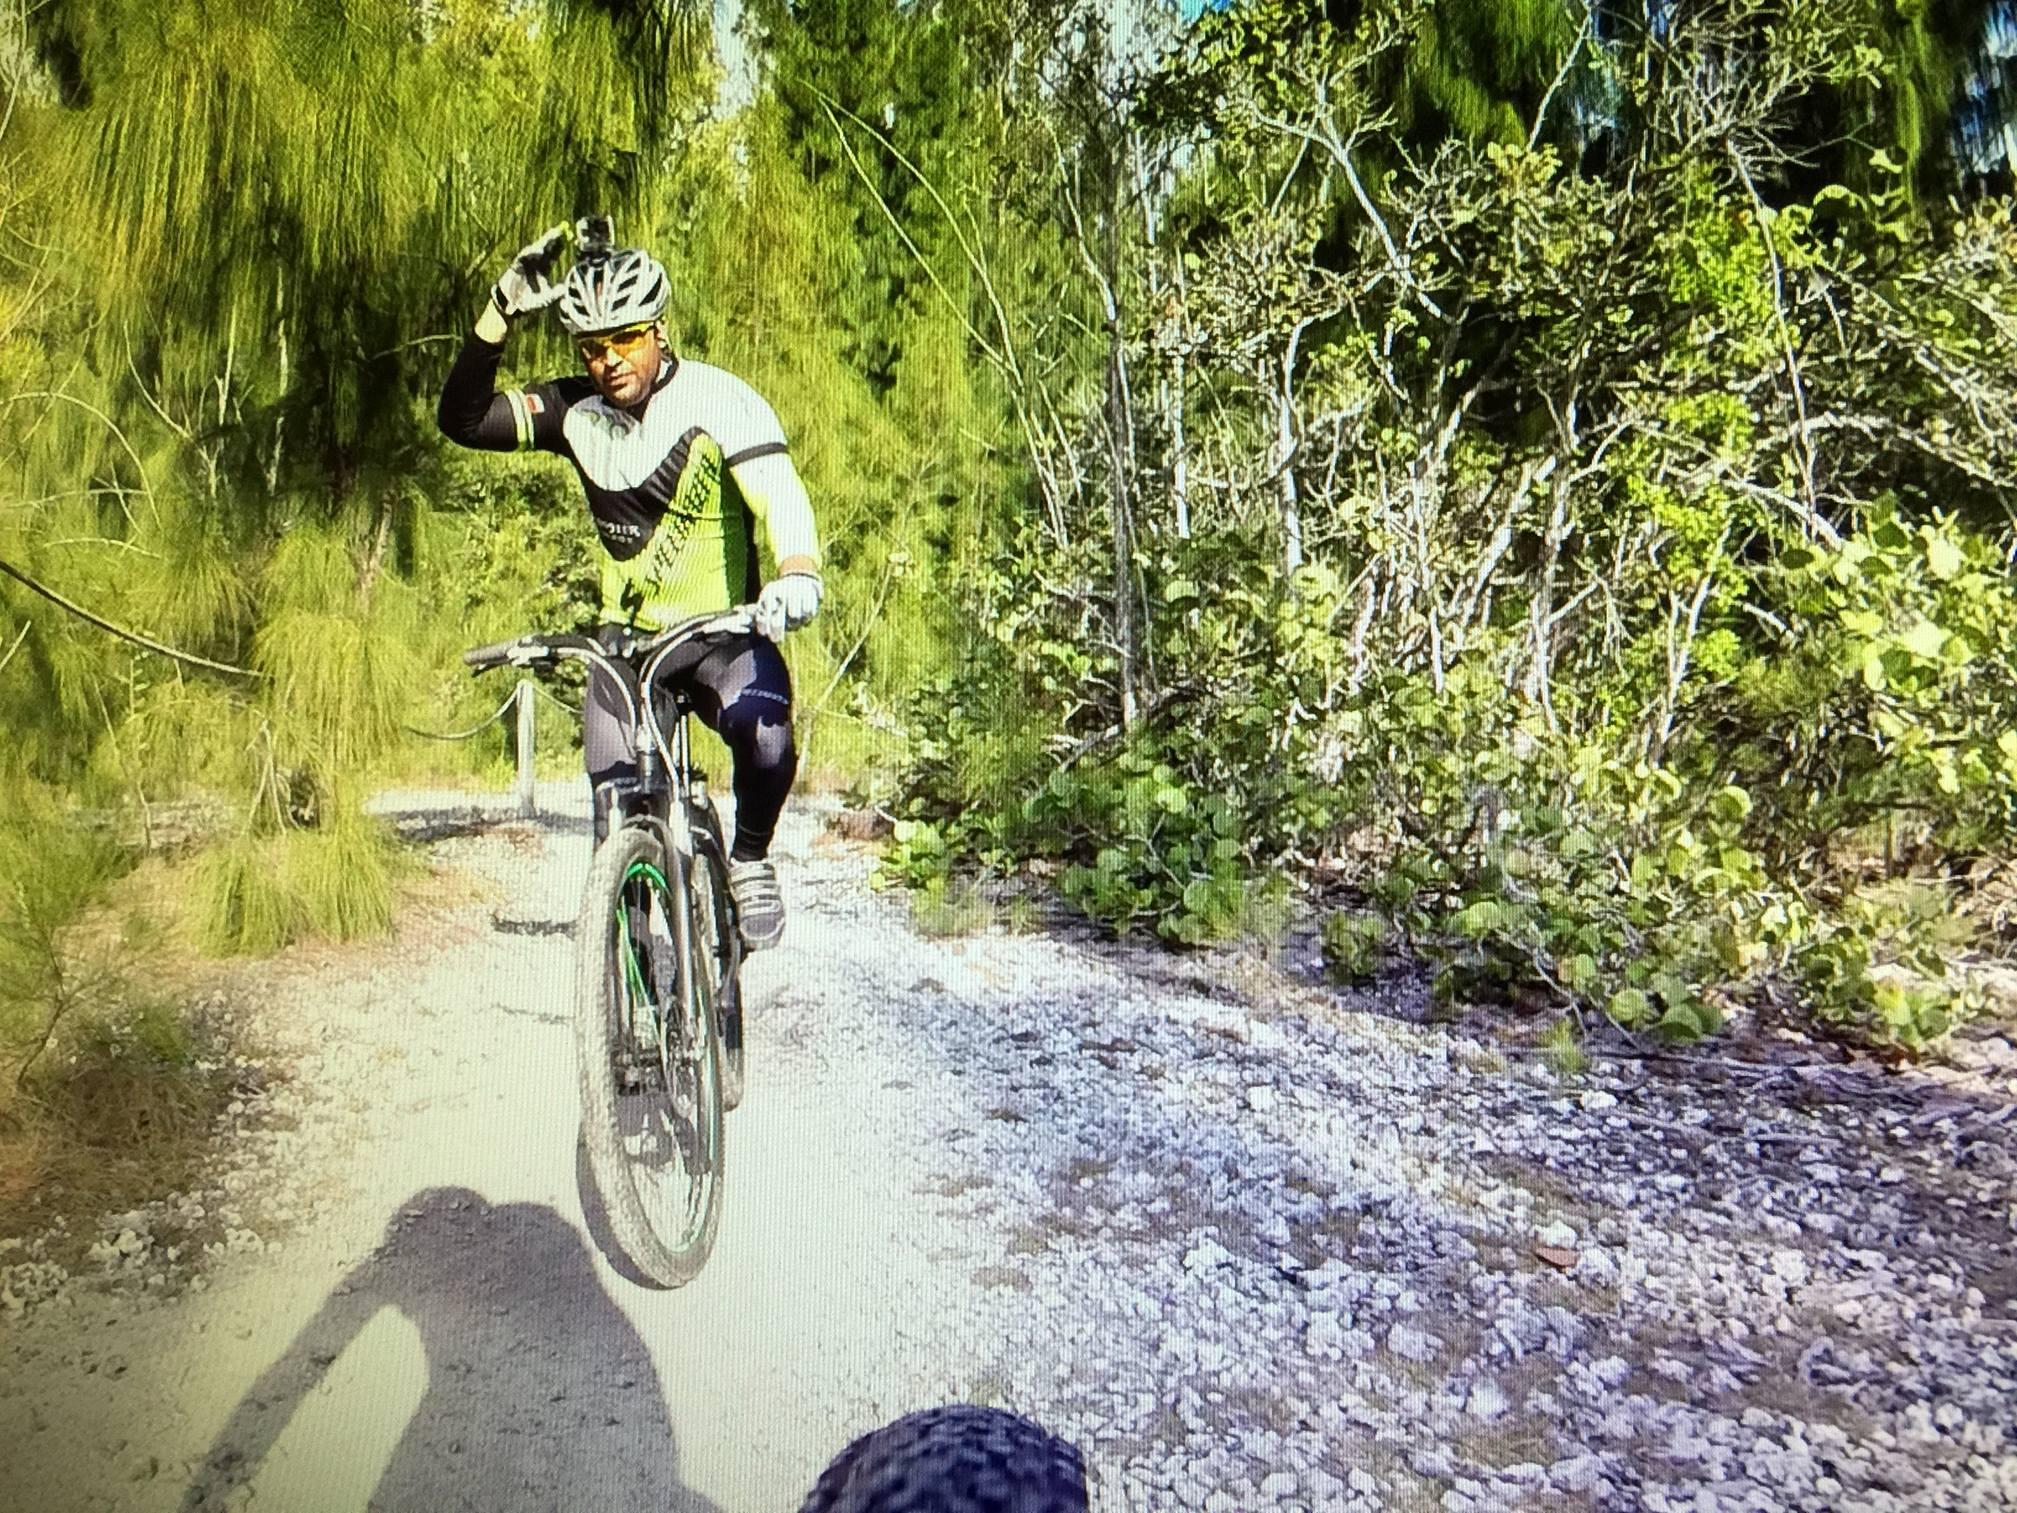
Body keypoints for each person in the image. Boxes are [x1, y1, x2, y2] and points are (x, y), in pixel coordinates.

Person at [437, 220, 822, 950]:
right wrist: (498, 313)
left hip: (720, 634)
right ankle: (632, 1018)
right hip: (625, 647)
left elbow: (779, 494)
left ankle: (746, 860)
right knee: (617, 815)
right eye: (592, 346)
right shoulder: (572, 411)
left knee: (767, 740)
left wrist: (797, 570)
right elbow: (460, 420)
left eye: (626, 339)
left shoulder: (720, 397)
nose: (609, 360)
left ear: (658, 330)